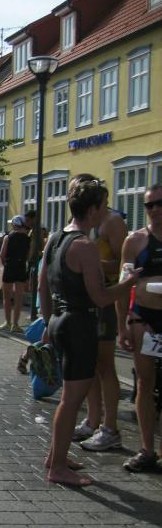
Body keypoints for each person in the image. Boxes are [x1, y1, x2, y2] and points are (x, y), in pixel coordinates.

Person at [39, 174, 139, 486]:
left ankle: (55, 455)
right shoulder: (85, 246)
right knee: (72, 399)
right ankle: (57, 467)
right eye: (104, 206)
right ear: (92, 210)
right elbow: (100, 296)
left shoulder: (56, 238)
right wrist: (129, 282)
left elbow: (42, 284)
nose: (107, 211)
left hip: (59, 319)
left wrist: (46, 321)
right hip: (80, 324)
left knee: (70, 396)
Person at [74, 208, 128, 452]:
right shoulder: (81, 222)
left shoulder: (112, 223)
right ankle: (92, 420)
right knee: (90, 363)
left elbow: (122, 266)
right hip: (84, 301)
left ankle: (110, 428)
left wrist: (90, 261)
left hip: (104, 301)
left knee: (105, 365)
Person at [119, 183, 162, 471]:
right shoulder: (135, 241)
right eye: (150, 205)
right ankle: (147, 449)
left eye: (160, 203)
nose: (155, 209)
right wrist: (122, 325)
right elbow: (123, 286)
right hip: (143, 318)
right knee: (145, 383)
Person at [0, 216, 31, 331]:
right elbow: (29, 256)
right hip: (21, 267)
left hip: (9, 266)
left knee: (7, 296)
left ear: (14, 225)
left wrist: (5, 263)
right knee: (19, 297)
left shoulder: (8, 237)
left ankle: (7, 322)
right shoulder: (27, 238)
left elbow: (2, 254)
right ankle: (15, 324)